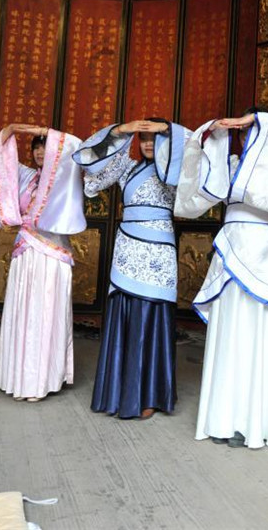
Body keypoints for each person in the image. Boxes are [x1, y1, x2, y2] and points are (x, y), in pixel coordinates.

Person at [175, 108, 268, 449]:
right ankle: (223, 418)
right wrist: (213, 128)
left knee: (258, 330)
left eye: (252, 130)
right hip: (230, 247)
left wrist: (258, 119)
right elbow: (201, 165)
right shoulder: (233, 166)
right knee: (228, 331)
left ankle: (255, 422)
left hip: (263, 249)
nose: (247, 135)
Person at [73, 118, 187, 420]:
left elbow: (195, 154)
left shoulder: (176, 168)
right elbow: (92, 171)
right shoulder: (126, 166)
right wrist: (119, 131)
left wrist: (169, 132)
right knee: (125, 313)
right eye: (144, 139)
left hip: (159, 250)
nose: (149, 144)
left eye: (155, 138)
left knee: (152, 317)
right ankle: (119, 390)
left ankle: (151, 394)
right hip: (127, 249)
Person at [0, 123, 86, 402]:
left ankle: (41, 381)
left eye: (46, 145)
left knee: (45, 314)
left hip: (52, 255)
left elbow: (76, 146)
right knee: (23, 313)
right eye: (37, 146)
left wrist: (40, 129)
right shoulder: (27, 177)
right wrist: (13, 128)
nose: (41, 151)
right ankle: (19, 378)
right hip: (25, 252)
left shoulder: (64, 176)